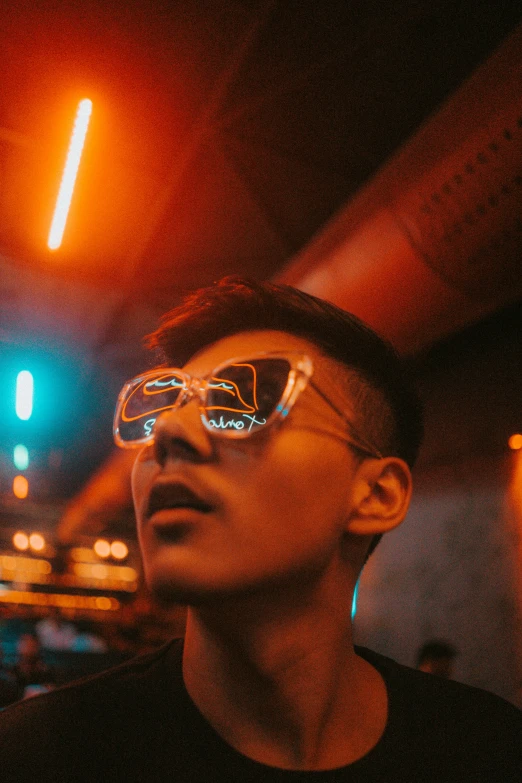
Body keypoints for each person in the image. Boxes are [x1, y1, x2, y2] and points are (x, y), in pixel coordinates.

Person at [0, 276, 520, 781]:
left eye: (243, 404)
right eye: (166, 406)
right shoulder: (37, 756)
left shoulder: (487, 753)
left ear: (375, 495)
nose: (170, 430)